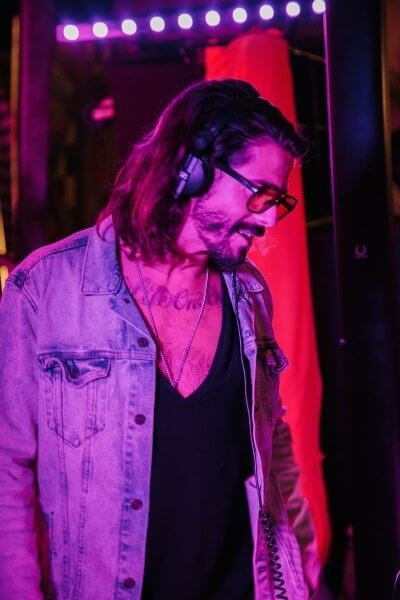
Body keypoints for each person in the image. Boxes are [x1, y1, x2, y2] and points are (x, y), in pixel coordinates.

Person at [0, 79, 320, 599]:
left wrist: (300, 561)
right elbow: (6, 471)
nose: (267, 219)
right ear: (192, 170)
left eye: (277, 200)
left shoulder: (250, 294)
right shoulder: (43, 289)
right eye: (260, 193)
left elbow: (271, 442)